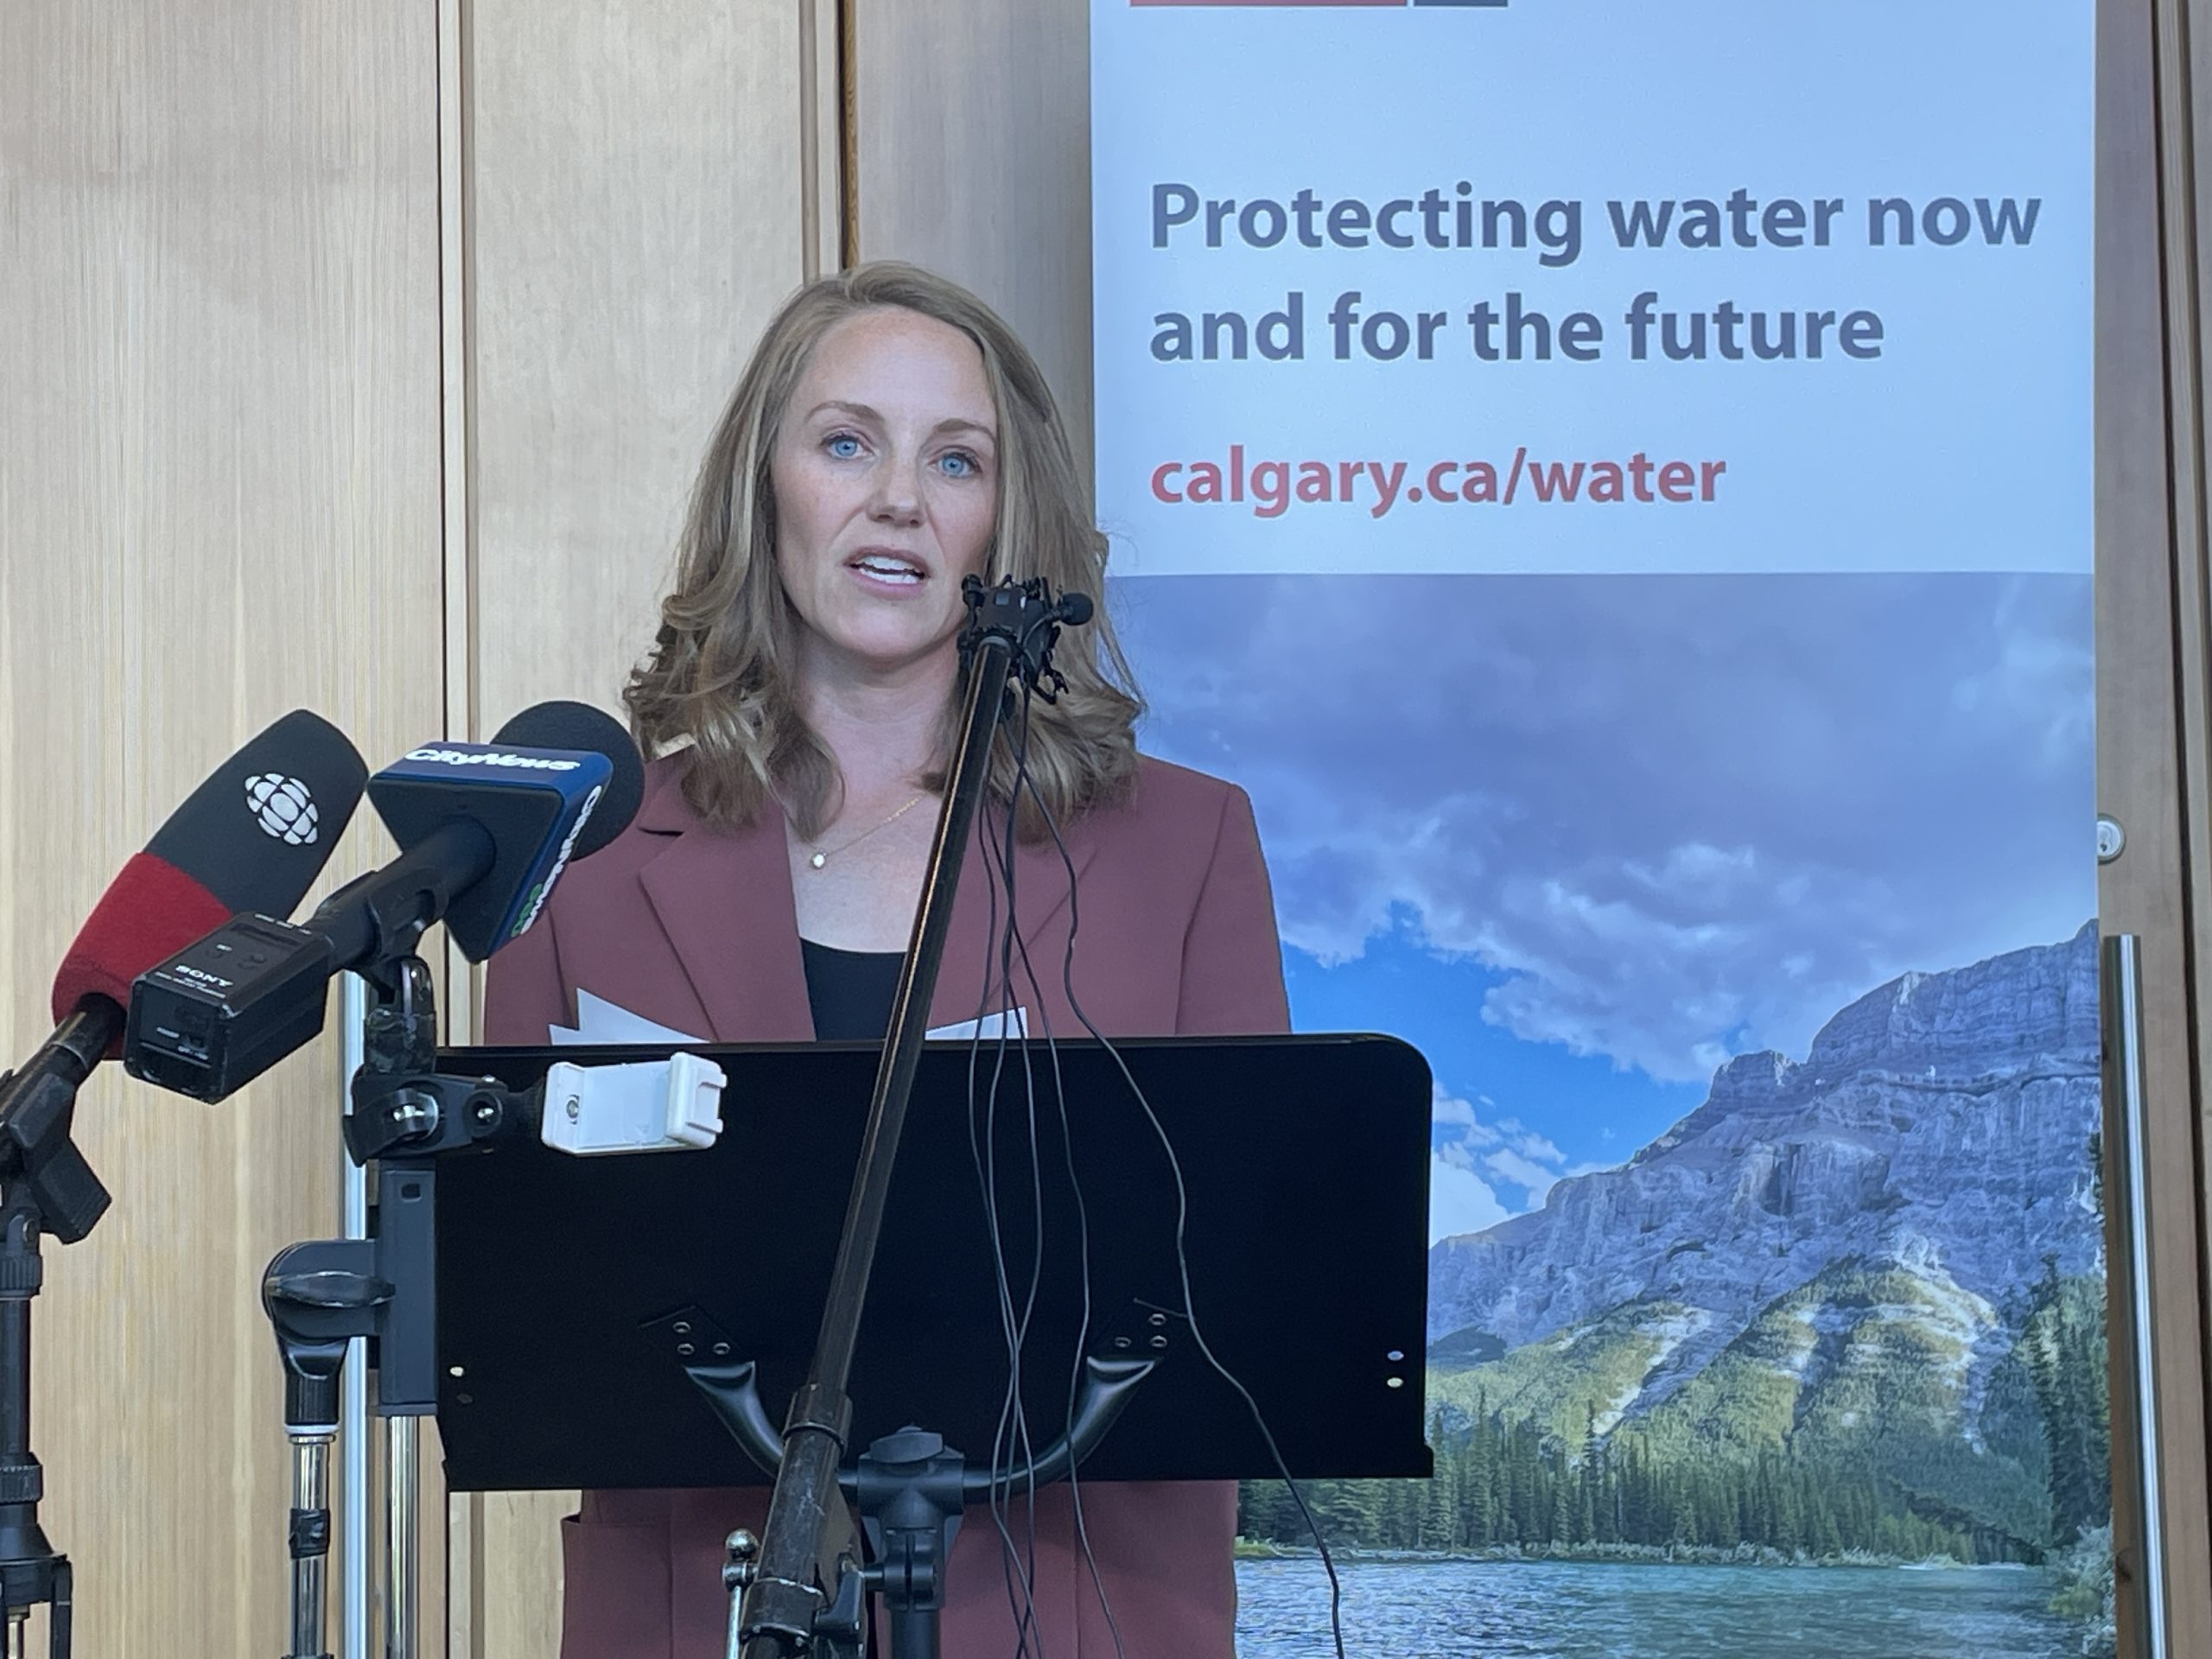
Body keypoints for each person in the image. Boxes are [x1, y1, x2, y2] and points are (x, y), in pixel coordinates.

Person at [484, 260, 1288, 1657]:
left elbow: (1247, 1282)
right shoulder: (591, 853)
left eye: (955, 459)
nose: (898, 498)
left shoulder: (1187, 846)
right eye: (847, 441)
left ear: (1005, 520)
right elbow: (516, 1307)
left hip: (1080, 1612)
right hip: (700, 1603)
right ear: (768, 489)